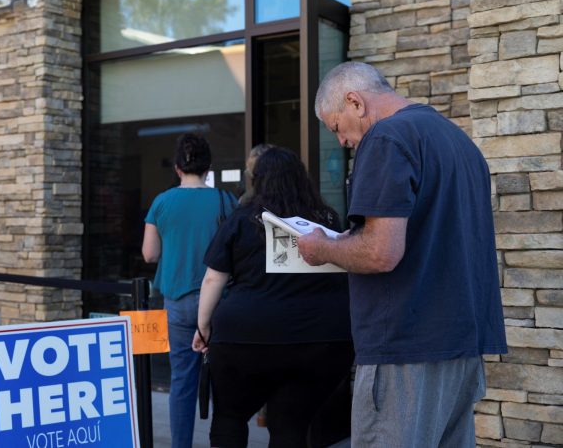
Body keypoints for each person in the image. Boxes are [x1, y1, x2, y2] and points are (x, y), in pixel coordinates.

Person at [297, 61, 508, 447]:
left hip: (405, 347)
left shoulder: (386, 138)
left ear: (354, 102)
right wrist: (351, 238)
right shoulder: (458, 141)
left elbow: (381, 253)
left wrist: (322, 247)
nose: (341, 141)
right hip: (462, 345)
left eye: (336, 128)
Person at [192, 147, 353, 448]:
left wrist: (203, 328)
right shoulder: (326, 219)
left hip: (246, 338)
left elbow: (214, 278)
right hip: (321, 342)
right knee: (291, 425)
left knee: (230, 417)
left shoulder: (242, 220)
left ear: (259, 180)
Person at [142, 133, 237, 448]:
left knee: (182, 381)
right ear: (208, 166)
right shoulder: (226, 201)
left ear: (178, 167)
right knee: (226, 380)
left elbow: (149, 254)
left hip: (178, 302)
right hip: (221, 303)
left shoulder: (162, 202)